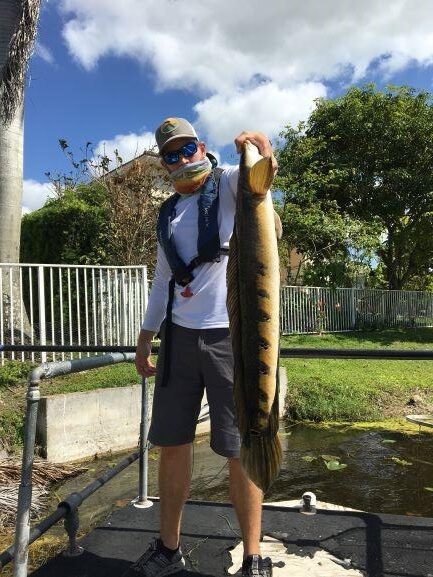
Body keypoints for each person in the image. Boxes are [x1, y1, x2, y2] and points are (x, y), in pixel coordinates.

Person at [124, 117, 277, 577]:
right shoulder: (169, 213)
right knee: (173, 444)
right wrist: (146, 338)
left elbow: (261, 177)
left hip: (232, 337)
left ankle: (253, 555)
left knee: (240, 447)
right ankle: (168, 547)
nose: (181, 159)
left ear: (201, 146)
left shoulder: (228, 183)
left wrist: (261, 149)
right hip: (179, 341)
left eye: (186, 148)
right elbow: (162, 281)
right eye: (170, 154)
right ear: (164, 163)